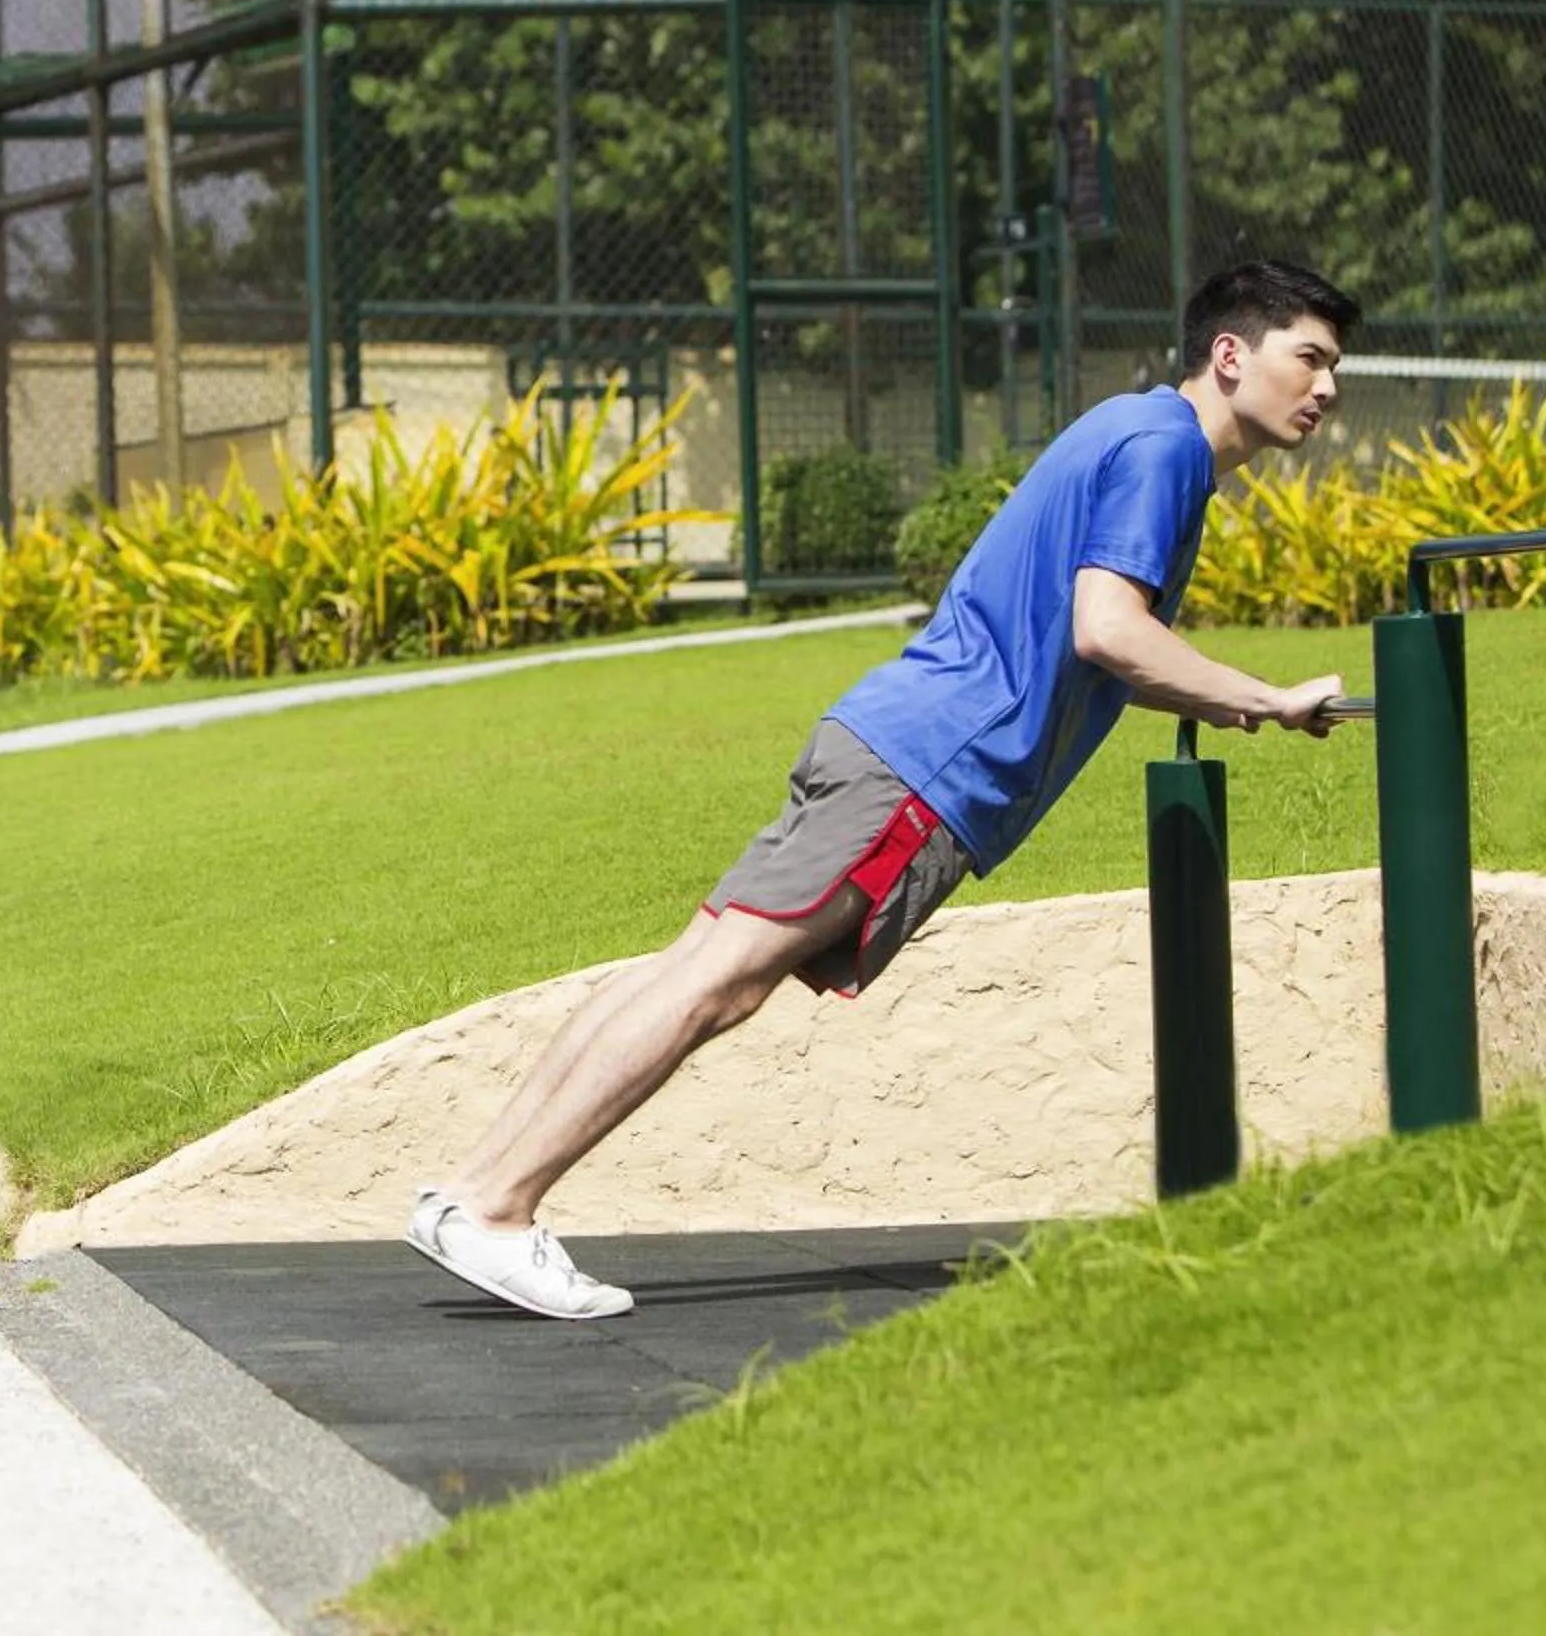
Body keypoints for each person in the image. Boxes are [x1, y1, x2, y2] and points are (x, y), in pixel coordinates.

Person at [406, 258, 1363, 1321]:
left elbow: (1076, 648)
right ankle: (496, 1205)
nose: (1326, 387)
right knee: (720, 981)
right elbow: (1110, 631)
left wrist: (1226, 702)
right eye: (1309, 358)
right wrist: (1268, 696)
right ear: (1231, 355)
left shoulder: (1131, 428)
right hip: (930, 766)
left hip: (886, 736)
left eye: (1333, 366)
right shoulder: (1165, 453)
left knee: (695, 962)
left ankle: (471, 1193)